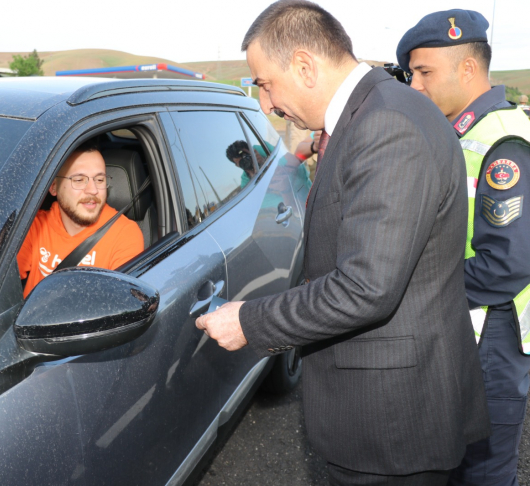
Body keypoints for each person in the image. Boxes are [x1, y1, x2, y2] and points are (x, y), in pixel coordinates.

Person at [194, 1, 490, 484]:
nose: (266, 104)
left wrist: (249, 320)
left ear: (305, 66)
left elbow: (366, 287)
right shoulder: (371, 114)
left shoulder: (386, 125)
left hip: (392, 429)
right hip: (383, 413)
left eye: (266, 83)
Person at [398, 10, 530, 485]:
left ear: (468, 69)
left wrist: (413, 289)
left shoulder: (503, 141)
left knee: (484, 473)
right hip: (464, 331)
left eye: (425, 72)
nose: (414, 84)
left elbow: (506, 266)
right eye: (412, 73)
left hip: (492, 336)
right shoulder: (464, 133)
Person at [17, 140, 144, 298]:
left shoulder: (124, 235)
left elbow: (119, 307)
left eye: (99, 180)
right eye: (79, 180)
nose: (93, 190)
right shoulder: (34, 226)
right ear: (53, 187)